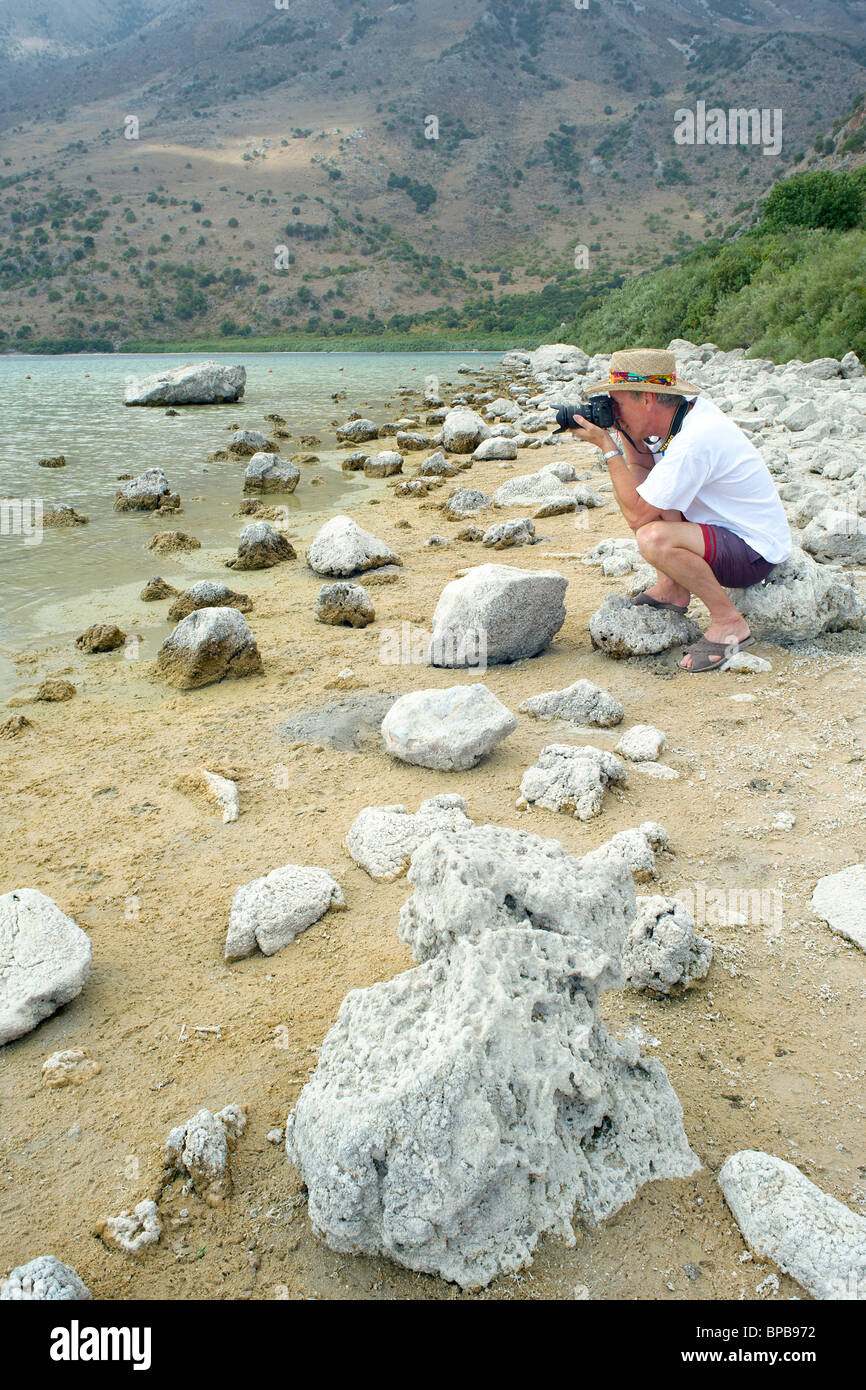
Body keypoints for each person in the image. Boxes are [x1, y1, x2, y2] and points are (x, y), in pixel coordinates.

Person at [568, 347, 791, 671]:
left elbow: (636, 513)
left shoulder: (695, 439)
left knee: (654, 538)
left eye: (617, 402)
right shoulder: (680, 416)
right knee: (655, 507)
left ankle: (730, 624)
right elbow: (644, 471)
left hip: (753, 551)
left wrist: (608, 447)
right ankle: (672, 589)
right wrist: (630, 438)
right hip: (721, 529)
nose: (612, 411)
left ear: (647, 399)